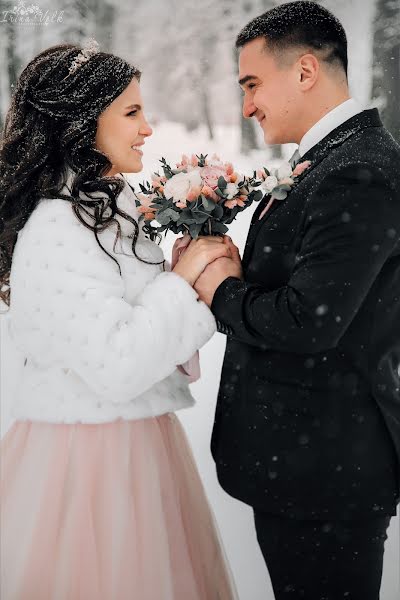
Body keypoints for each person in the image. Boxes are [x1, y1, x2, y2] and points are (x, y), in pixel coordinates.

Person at [0, 42, 238, 600]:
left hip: (141, 445)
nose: (148, 129)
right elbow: (116, 364)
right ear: (83, 125)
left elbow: (144, 327)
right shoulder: (58, 228)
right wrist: (184, 287)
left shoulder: (113, 208)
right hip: (87, 466)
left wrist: (185, 277)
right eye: (131, 113)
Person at [194, 2, 400, 598]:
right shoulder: (331, 159)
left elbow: (307, 322)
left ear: (305, 71)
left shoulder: (357, 171)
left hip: (327, 477)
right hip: (306, 468)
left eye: (252, 84)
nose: (246, 105)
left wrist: (220, 290)